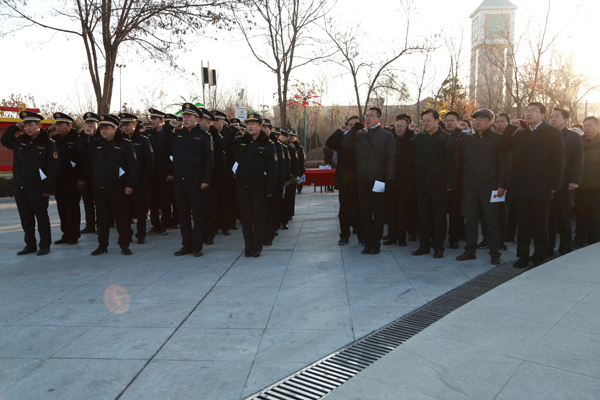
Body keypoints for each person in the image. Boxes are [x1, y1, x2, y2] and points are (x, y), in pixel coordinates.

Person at [499, 102, 565, 268]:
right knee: (523, 225)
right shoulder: (520, 134)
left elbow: (559, 161)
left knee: (541, 224)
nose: (528, 113)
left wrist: (555, 185)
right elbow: (502, 147)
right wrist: (509, 129)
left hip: (543, 186)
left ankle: (539, 256)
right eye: (527, 111)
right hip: (521, 187)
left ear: (542, 115)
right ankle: (522, 256)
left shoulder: (553, 133)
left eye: (533, 111)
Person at [446, 109, 507, 265]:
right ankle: (469, 251)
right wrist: (458, 129)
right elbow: (449, 146)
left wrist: (501, 185)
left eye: (482, 119)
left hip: (491, 187)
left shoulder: (498, 139)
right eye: (475, 119)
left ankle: (495, 253)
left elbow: (503, 164)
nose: (478, 121)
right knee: (470, 221)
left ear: (490, 122)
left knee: (491, 222)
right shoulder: (468, 139)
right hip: (470, 187)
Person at [1, 110, 59, 256]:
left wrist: (48, 187)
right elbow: (4, 140)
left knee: (41, 217)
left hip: (38, 187)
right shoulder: (20, 140)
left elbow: (53, 167)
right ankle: (30, 245)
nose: (27, 128)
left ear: (39, 125)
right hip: (20, 186)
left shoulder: (48, 143)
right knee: (26, 218)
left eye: (30, 125)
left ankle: (44, 245)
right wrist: (15, 127)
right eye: (25, 125)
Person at [161, 103, 214, 257]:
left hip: (197, 182)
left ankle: (197, 246)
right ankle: (187, 245)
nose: (185, 119)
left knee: (197, 215)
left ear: (196, 119)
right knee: (183, 215)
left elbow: (209, 160)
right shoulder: (177, 134)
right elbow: (161, 143)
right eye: (184, 116)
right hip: (180, 181)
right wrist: (168, 127)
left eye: (189, 116)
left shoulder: (204, 136)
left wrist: (206, 180)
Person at [342, 107, 396, 254]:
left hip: (378, 180)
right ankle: (367, 242)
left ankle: (376, 244)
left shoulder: (386, 135)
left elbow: (391, 158)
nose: (368, 118)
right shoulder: (361, 136)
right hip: (362, 180)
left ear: (379, 119)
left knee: (378, 213)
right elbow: (345, 144)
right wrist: (354, 130)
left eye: (372, 116)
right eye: (367, 116)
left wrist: (389, 179)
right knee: (364, 213)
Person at [223, 113, 277, 257]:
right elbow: (223, 146)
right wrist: (232, 131)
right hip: (242, 187)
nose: (250, 126)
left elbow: (273, 168)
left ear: (260, 126)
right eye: (248, 123)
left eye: (254, 123)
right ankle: (248, 247)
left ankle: (257, 247)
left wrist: (270, 189)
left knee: (259, 219)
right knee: (246, 219)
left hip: (260, 188)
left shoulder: (268, 145)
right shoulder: (241, 141)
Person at [88, 114, 137, 256]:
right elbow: (83, 155)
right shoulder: (96, 144)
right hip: (100, 187)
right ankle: (102, 245)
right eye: (101, 128)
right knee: (102, 219)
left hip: (118, 187)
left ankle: (124, 245)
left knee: (121, 217)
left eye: (107, 128)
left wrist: (130, 184)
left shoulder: (125, 144)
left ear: (115, 129)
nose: (103, 131)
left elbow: (132, 166)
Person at [411, 109, 457, 258]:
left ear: (437, 121)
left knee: (439, 217)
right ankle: (424, 246)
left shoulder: (445, 137)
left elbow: (452, 163)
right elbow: (405, 148)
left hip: (440, 185)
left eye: (428, 120)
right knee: (423, 217)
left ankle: (438, 247)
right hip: (422, 184)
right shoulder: (419, 138)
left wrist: (451, 183)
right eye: (423, 120)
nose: (425, 123)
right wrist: (408, 133)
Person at [548, 108, 584, 256]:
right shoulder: (546, 135)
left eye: (556, 116)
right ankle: (548, 248)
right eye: (551, 117)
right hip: (548, 184)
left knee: (565, 217)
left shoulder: (573, 137)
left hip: (565, 183)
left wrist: (574, 180)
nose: (553, 119)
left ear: (565, 120)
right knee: (548, 218)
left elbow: (579, 159)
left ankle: (565, 248)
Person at [326, 116, 364, 245]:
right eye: (350, 125)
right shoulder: (342, 139)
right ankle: (344, 235)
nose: (353, 127)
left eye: (356, 125)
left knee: (360, 210)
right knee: (344, 210)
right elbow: (329, 144)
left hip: (361, 180)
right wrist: (339, 131)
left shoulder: (364, 139)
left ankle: (362, 236)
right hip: (345, 182)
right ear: (347, 126)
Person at [50, 112, 84, 245]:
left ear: (69, 125)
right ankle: (66, 233)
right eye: (56, 125)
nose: (58, 127)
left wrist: (82, 178)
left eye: (61, 125)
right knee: (62, 208)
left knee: (72, 208)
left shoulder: (77, 139)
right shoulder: (56, 140)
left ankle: (74, 234)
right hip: (59, 179)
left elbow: (84, 161)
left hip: (73, 180)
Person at [119, 112, 154, 244]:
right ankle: (127, 233)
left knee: (140, 211)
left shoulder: (143, 140)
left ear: (134, 125)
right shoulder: (119, 141)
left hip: (139, 181)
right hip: (123, 181)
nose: (125, 128)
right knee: (125, 210)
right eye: (123, 125)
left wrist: (145, 180)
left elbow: (149, 162)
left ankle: (141, 235)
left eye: (128, 125)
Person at [384, 117, 417, 247]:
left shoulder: (412, 141)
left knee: (403, 212)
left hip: (406, 184)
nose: (398, 128)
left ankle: (402, 238)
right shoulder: (390, 141)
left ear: (407, 128)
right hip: (391, 182)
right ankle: (392, 236)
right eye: (397, 126)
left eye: (402, 126)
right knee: (391, 212)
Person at [574, 116, 600, 245]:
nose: (587, 127)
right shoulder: (578, 141)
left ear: (598, 127)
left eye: (590, 125)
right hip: (579, 185)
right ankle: (578, 239)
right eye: (585, 125)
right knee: (581, 214)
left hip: (596, 186)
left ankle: (593, 239)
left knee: (594, 214)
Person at [145, 108, 171, 236]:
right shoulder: (149, 133)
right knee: (153, 200)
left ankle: (165, 225)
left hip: (164, 171)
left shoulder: (168, 133)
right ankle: (155, 225)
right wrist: (140, 125)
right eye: (152, 119)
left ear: (162, 121)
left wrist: (171, 172)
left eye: (155, 119)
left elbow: (173, 154)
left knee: (164, 199)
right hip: (151, 171)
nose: (153, 121)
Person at [264, 123, 289, 246]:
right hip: (258, 184)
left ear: (270, 129)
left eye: (265, 128)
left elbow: (280, 166)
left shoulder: (277, 145)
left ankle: (271, 232)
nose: (263, 130)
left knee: (272, 210)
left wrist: (280, 183)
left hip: (274, 183)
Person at [443, 111, 465, 249]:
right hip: (441, 182)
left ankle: (454, 237)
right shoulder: (440, 136)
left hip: (458, 182)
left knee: (455, 213)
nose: (449, 123)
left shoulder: (464, 138)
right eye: (447, 120)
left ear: (458, 122)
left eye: (452, 120)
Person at [494, 113, 517, 244]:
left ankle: (505, 237)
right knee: (495, 213)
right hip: (495, 183)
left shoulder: (513, 139)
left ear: (508, 124)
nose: (499, 124)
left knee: (506, 213)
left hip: (509, 183)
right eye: (497, 122)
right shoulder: (493, 139)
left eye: (502, 121)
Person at [77, 112, 99, 234]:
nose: (90, 125)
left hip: (98, 175)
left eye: (92, 122)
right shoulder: (82, 136)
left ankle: (101, 224)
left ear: (97, 124)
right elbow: (81, 153)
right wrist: (85, 137)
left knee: (99, 202)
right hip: (86, 176)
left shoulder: (102, 136)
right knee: (87, 202)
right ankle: (90, 224)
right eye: (87, 123)